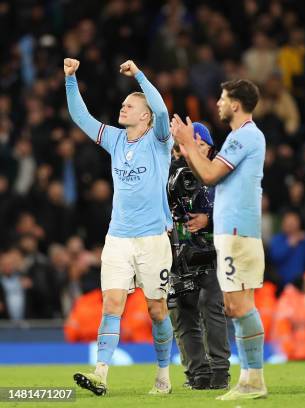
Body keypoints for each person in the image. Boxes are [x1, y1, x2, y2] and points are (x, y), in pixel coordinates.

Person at [65, 58, 174, 395]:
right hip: (118, 238)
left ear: (145, 116)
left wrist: (140, 74)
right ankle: (101, 373)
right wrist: (71, 78)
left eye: (129, 105)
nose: (122, 108)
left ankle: (163, 373)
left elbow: (161, 109)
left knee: (157, 310)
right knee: (111, 305)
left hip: (154, 239)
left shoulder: (159, 140)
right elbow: (81, 117)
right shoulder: (114, 140)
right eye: (123, 104)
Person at [171, 79, 267, 401]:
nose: (218, 104)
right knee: (233, 304)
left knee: (239, 305)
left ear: (236, 104)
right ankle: (251, 379)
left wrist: (187, 140)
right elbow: (206, 173)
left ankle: (254, 379)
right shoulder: (237, 138)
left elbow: (209, 176)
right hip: (233, 230)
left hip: (238, 230)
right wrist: (187, 149)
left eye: (223, 99)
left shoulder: (244, 137)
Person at [168, 122, 231, 390]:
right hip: (176, 253)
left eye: (200, 145)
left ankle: (219, 371)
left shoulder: (222, 177)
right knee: (182, 313)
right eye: (186, 145)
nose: (192, 150)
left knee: (211, 307)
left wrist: (209, 219)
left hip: (213, 252)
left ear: (211, 149)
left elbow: (238, 211)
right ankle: (197, 373)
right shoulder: (167, 176)